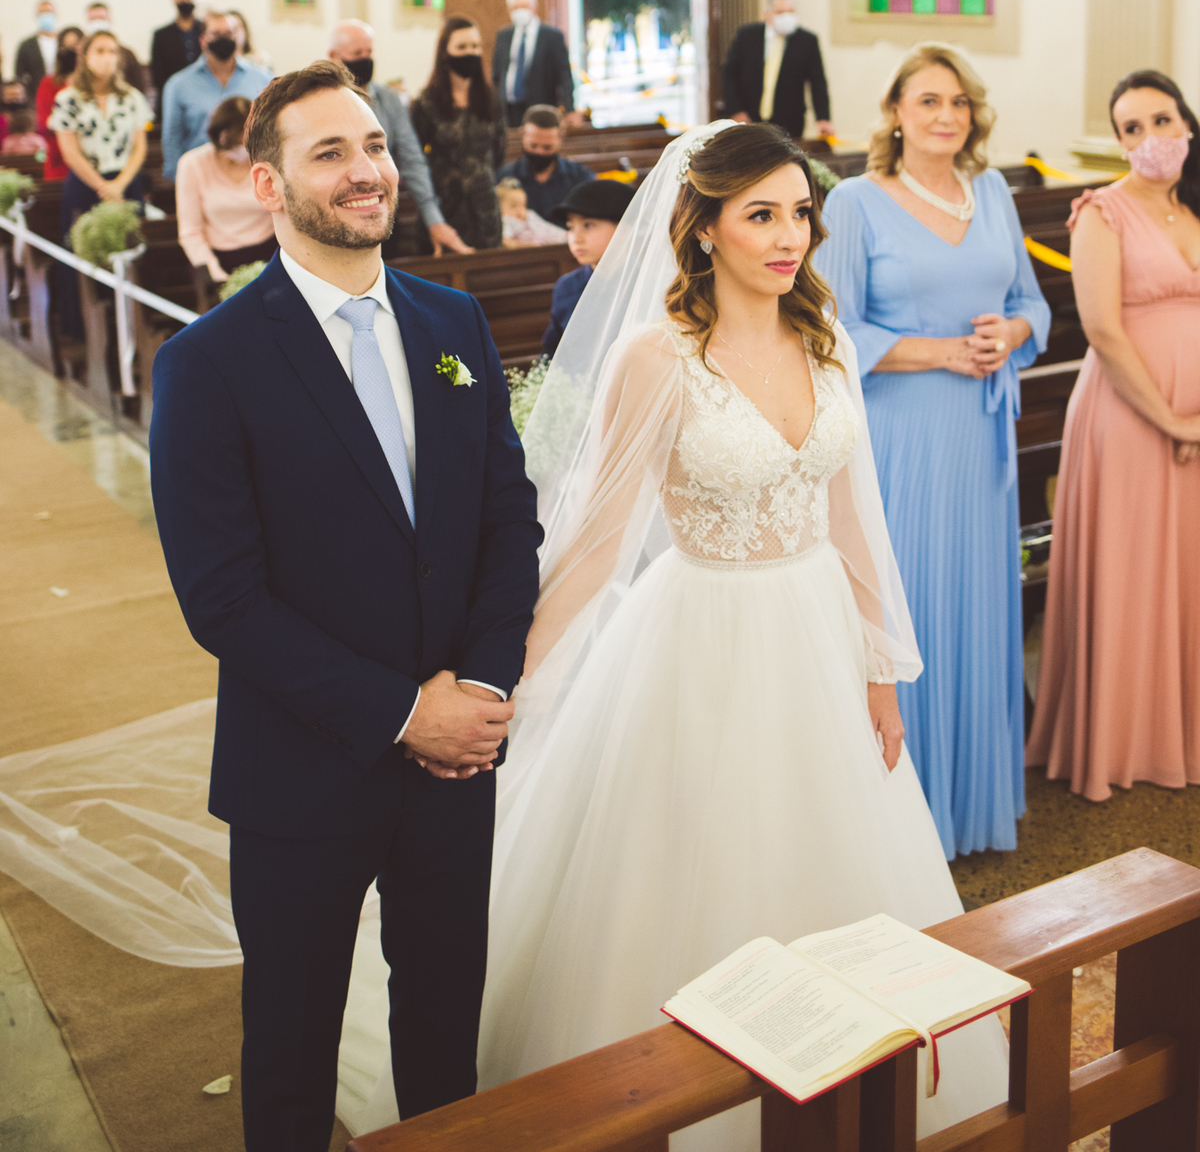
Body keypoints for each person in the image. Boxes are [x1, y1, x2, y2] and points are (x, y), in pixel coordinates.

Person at [466, 121, 1008, 1143]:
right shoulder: (655, 356)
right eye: (759, 215)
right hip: (701, 637)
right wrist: (510, 682)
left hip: (816, 632)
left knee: (846, 863)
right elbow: (591, 546)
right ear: (703, 228)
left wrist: (880, 666)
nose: (789, 235)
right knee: (690, 867)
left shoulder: (827, 336)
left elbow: (853, 517)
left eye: (799, 212)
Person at [149, 60, 542, 1152]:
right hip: (303, 773)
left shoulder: (452, 323)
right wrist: (400, 713)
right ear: (269, 188)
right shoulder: (208, 364)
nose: (366, 171)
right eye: (329, 154)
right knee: (291, 1048)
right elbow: (222, 599)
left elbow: (510, 523)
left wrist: (482, 684)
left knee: (442, 1036)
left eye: (371, 145)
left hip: (455, 763)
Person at [815, 46, 1049, 858]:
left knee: (977, 606)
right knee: (908, 605)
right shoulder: (854, 202)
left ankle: (973, 802)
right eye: (927, 101)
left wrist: (1013, 332)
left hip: (982, 436)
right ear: (895, 113)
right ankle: (906, 820)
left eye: (958, 102)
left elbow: (1031, 302)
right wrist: (940, 351)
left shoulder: (992, 193)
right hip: (901, 436)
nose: (946, 115)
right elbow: (831, 330)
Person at [1027, 70, 1200, 800]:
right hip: (1130, 418)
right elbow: (1101, 328)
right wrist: (1173, 421)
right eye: (1132, 129)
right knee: (1135, 570)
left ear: (1186, 124)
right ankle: (1123, 740)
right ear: (1119, 143)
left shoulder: (1193, 210)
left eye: (1161, 121)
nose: (1150, 139)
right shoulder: (1101, 212)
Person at [328, 20, 470, 256]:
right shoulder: (322, 102)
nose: (365, 58)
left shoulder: (389, 101)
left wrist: (433, 219)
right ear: (334, 56)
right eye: (357, 53)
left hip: (381, 212)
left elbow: (412, 159)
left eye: (369, 52)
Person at [48, 29, 152, 339]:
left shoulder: (130, 96)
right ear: (85, 57)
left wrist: (120, 184)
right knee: (84, 254)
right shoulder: (68, 98)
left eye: (112, 51)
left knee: (133, 253)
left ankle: (135, 325)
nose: (107, 58)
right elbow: (69, 150)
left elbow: (139, 147)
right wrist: (102, 186)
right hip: (85, 184)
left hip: (125, 183)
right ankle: (84, 328)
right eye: (100, 51)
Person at [410, 17, 508, 250]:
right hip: (444, 209)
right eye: (462, 47)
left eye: (475, 46)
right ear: (445, 53)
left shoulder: (491, 98)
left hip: (485, 209)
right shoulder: (426, 103)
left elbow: (499, 153)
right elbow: (415, 158)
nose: (470, 53)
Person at [174, 96, 277, 283]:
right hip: (218, 258)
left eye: (246, 143)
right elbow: (190, 232)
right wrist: (217, 276)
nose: (241, 150)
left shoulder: (267, 160)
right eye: (235, 143)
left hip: (270, 255)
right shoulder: (192, 164)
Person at [161, 11, 270, 179]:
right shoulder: (178, 84)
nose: (223, 39)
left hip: (251, 176)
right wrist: (179, 177)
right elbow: (172, 138)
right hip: (199, 176)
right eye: (216, 34)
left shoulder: (263, 79)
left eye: (229, 34)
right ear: (202, 39)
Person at [721, 0, 833, 140]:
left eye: (790, 12)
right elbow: (729, 75)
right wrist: (736, 110)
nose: (786, 17)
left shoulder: (807, 41)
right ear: (767, 14)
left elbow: (817, 82)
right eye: (780, 12)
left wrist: (823, 118)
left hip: (789, 122)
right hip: (748, 118)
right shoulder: (747, 36)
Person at [541, 178, 633, 356]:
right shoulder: (567, 286)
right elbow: (552, 353)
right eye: (570, 227)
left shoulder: (648, 282)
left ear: (625, 229)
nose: (576, 238)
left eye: (588, 225)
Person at [491, 0, 579, 128]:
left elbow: (564, 75)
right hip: (509, 108)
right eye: (515, 7)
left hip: (541, 106)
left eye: (524, 6)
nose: (520, 11)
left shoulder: (552, 36)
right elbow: (496, 75)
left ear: (534, 6)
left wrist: (569, 108)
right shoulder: (503, 36)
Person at [496, 105, 592, 222]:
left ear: (560, 138)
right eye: (533, 145)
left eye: (547, 147)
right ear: (522, 134)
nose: (539, 152)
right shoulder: (504, 177)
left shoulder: (579, 177)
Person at [35, 27, 83, 181]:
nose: (71, 52)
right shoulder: (48, 83)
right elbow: (44, 121)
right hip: (59, 155)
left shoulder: (93, 84)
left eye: (76, 46)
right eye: (66, 46)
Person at [150, 0, 203, 119]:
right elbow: (158, 75)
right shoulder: (161, 35)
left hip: (203, 94)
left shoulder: (205, 31)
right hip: (173, 97)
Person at [83, 2, 146, 91]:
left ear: (110, 20)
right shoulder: (79, 53)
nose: (97, 22)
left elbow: (139, 86)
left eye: (101, 18)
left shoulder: (127, 54)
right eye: (93, 19)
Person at [497, 178, 568, 246]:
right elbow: (505, 241)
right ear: (499, 208)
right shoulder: (507, 221)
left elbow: (546, 227)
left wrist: (565, 235)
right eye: (513, 206)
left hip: (556, 240)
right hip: (537, 250)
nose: (520, 210)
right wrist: (528, 247)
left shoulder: (529, 215)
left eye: (523, 205)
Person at [14, 0, 61, 103]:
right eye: (42, 13)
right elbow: (19, 76)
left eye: (48, 12)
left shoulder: (63, 42)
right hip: (36, 96)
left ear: (55, 15)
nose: (46, 16)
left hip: (62, 93)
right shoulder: (26, 45)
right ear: (36, 16)